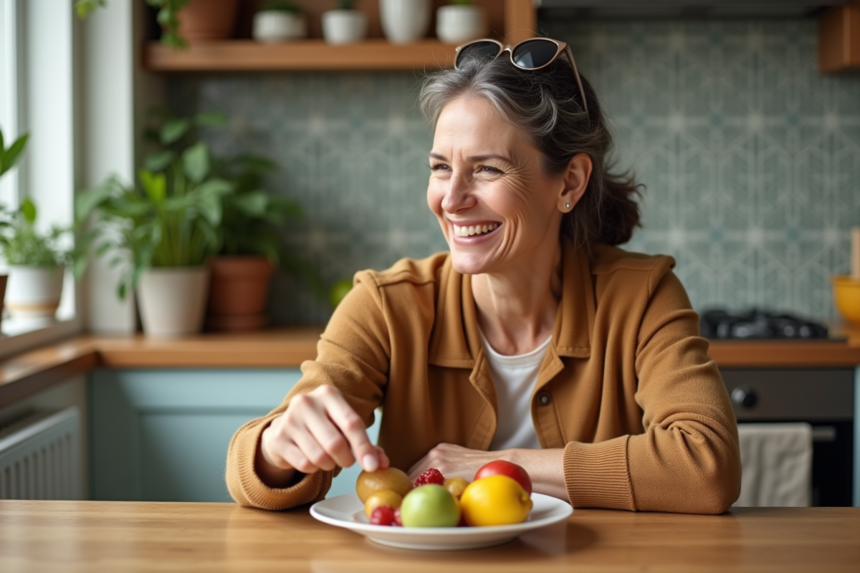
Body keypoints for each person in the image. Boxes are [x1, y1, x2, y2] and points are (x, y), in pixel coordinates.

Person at [226, 37, 741, 514]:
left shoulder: (642, 295)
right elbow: (251, 474)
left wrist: (494, 467)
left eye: (488, 169)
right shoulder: (387, 305)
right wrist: (278, 446)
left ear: (571, 181)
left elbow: (707, 466)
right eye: (440, 167)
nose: (451, 200)